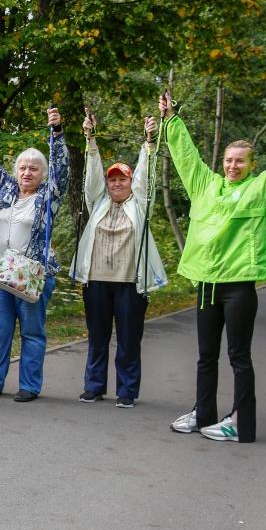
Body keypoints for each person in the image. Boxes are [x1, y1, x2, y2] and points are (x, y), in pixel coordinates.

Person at [165, 95, 266, 443]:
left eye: (240, 161)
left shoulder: (260, 190)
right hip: (207, 284)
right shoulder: (205, 186)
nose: (232, 166)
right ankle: (203, 412)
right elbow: (185, 156)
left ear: (252, 165)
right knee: (205, 356)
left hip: (238, 287)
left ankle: (241, 423)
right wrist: (172, 119)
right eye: (228, 160)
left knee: (238, 356)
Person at [69, 113, 167, 408]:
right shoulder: (97, 202)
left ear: (130, 182)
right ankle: (94, 386)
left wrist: (149, 143)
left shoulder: (140, 205)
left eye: (121, 179)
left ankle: (126, 391)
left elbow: (146, 178)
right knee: (97, 338)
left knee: (128, 340)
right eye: (112, 180)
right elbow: (92, 177)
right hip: (96, 281)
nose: (116, 183)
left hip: (129, 284)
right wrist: (91, 139)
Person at [0, 107, 69, 402]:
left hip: (30, 270)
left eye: (34, 168)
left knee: (31, 330)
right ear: (16, 171)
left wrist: (56, 134)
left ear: (42, 174)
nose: (27, 172)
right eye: (23, 168)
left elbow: (62, 170)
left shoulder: (48, 194)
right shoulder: (6, 189)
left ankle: (29, 386)